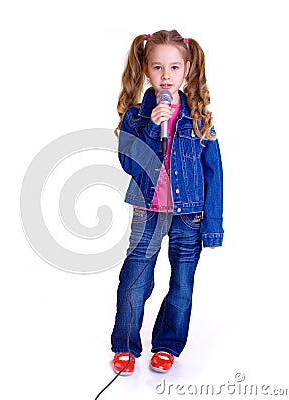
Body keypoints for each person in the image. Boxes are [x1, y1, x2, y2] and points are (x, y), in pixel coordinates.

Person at [111, 29, 224, 375]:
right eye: (158, 67)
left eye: (174, 67)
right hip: (147, 211)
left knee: (182, 283)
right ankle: (126, 345)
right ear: (146, 69)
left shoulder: (199, 117)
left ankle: (167, 345)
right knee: (136, 280)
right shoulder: (136, 116)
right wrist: (149, 130)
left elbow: (214, 174)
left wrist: (213, 226)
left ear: (187, 70)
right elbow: (129, 164)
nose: (166, 76)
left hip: (188, 215)